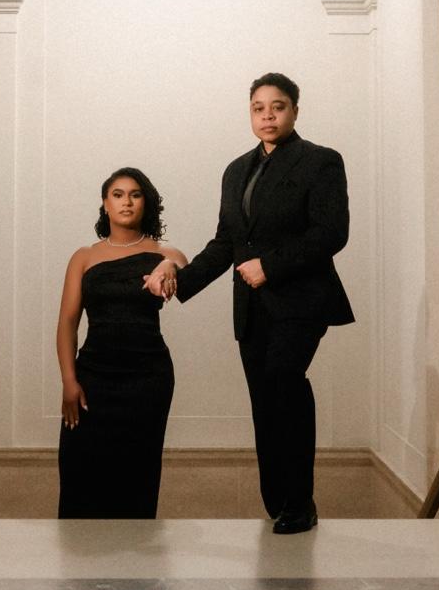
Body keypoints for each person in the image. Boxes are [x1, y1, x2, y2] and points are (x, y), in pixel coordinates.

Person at [145, 73, 353, 533]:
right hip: (252, 309)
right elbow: (226, 243)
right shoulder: (236, 170)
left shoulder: (321, 161)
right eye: (259, 108)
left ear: (295, 110)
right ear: (250, 113)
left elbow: (331, 233)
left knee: (284, 382)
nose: (268, 116)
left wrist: (269, 267)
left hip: (301, 301)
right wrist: (179, 278)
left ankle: (299, 502)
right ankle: (277, 501)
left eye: (278, 107)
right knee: (264, 399)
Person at [55, 167, 188, 518]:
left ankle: (136, 554)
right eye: (117, 194)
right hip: (92, 378)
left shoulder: (164, 253)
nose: (126, 202)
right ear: (105, 203)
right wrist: (69, 381)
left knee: (137, 474)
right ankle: (81, 554)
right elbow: (67, 323)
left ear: (146, 202)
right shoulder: (84, 257)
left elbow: (183, 263)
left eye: (135, 194)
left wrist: (168, 266)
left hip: (148, 379)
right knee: (80, 472)